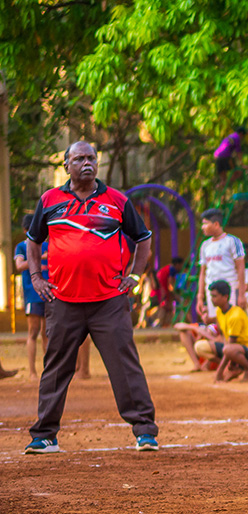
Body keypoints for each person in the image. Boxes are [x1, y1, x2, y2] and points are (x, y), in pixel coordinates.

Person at [23, 141, 159, 454]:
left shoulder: (117, 200)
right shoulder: (50, 200)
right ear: (66, 165)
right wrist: (36, 277)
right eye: (79, 159)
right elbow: (33, 241)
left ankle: (144, 431)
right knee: (56, 367)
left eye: (91, 158)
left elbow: (143, 238)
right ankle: (45, 436)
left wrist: (134, 276)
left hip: (108, 301)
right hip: (63, 300)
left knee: (124, 365)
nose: (87, 163)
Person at [193, 281, 248, 383]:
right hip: (234, 348)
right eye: (211, 296)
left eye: (215, 296)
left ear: (225, 297)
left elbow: (230, 345)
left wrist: (219, 372)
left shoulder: (235, 315)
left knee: (228, 349)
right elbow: (224, 338)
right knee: (200, 346)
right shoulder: (218, 311)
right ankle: (234, 367)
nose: (212, 299)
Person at [196, 208, 247, 322]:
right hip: (212, 291)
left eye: (205, 224)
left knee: (231, 320)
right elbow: (202, 273)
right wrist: (200, 296)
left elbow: (240, 268)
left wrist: (241, 294)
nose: (202, 227)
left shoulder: (233, 241)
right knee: (215, 322)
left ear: (216, 224)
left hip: (229, 291)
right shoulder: (205, 245)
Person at [16, 214, 49, 379]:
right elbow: (19, 265)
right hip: (32, 293)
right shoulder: (22, 247)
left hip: (48, 292)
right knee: (33, 332)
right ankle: (32, 371)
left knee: (46, 333)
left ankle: (46, 370)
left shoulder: (48, 245)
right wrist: (38, 258)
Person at [153, 257, 184, 327]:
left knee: (166, 307)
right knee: (166, 307)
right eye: (181, 265)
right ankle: (159, 323)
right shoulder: (172, 269)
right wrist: (174, 293)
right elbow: (170, 284)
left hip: (162, 289)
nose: (181, 267)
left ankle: (162, 323)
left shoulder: (168, 268)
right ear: (177, 264)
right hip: (164, 290)